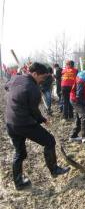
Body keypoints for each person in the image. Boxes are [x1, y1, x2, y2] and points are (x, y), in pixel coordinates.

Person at [5, 62, 70, 190]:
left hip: (10, 122)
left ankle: (18, 183)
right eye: (42, 77)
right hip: (23, 123)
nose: (43, 80)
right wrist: (43, 119)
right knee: (49, 141)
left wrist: (19, 88)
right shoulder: (33, 89)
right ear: (34, 74)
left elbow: (6, 87)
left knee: (20, 153)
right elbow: (34, 113)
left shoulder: (17, 78)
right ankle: (54, 169)